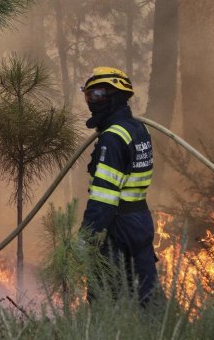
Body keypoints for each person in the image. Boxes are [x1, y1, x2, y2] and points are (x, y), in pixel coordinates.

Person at [79, 66, 159, 305]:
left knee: (105, 300)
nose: (91, 102)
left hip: (118, 227)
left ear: (115, 96)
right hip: (140, 222)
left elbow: (103, 198)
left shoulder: (112, 138)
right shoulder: (138, 129)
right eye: (88, 96)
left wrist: (86, 236)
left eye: (97, 95)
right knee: (148, 298)